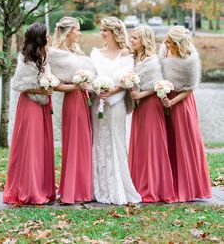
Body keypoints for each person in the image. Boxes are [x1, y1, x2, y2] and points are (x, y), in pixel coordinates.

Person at [90, 16, 141, 205]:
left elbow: (128, 80)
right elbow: (92, 77)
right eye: (101, 30)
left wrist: (112, 90)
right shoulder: (95, 54)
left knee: (117, 142)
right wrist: (98, 89)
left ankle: (119, 187)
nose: (102, 33)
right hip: (98, 104)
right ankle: (99, 188)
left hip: (117, 103)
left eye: (105, 30)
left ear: (114, 32)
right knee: (99, 142)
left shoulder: (126, 54)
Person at [3, 23, 56, 205]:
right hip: (31, 106)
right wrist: (43, 91)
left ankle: (43, 188)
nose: (48, 38)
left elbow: (46, 77)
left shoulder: (44, 55)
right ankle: (30, 190)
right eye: (46, 35)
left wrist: (49, 83)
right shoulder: (25, 60)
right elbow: (20, 85)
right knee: (31, 146)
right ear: (39, 37)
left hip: (43, 105)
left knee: (42, 145)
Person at [160, 25, 212, 202]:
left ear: (178, 43)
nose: (165, 43)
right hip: (164, 98)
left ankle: (187, 187)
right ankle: (168, 184)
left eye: (169, 41)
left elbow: (190, 89)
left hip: (182, 103)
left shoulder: (190, 59)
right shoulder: (163, 50)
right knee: (167, 141)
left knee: (183, 142)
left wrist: (172, 102)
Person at [48, 17, 94, 204]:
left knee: (84, 142)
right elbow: (55, 84)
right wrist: (75, 87)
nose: (80, 33)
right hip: (72, 100)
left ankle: (85, 189)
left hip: (84, 99)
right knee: (74, 143)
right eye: (77, 30)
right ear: (67, 33)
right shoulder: (56, 54)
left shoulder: (77, 51)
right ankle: (71, 191)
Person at [128, 26, 176, 203]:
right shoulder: (133, 58)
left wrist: (141, 94)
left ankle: (154, 187)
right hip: (138, 107)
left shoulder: (153, 60)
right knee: (139, 144)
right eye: (131, 37)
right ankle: (138, 183)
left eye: (135, 38)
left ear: (144, 41)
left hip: (151, 105)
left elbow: (157, 84)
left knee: (151, 145)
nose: (131, 40)